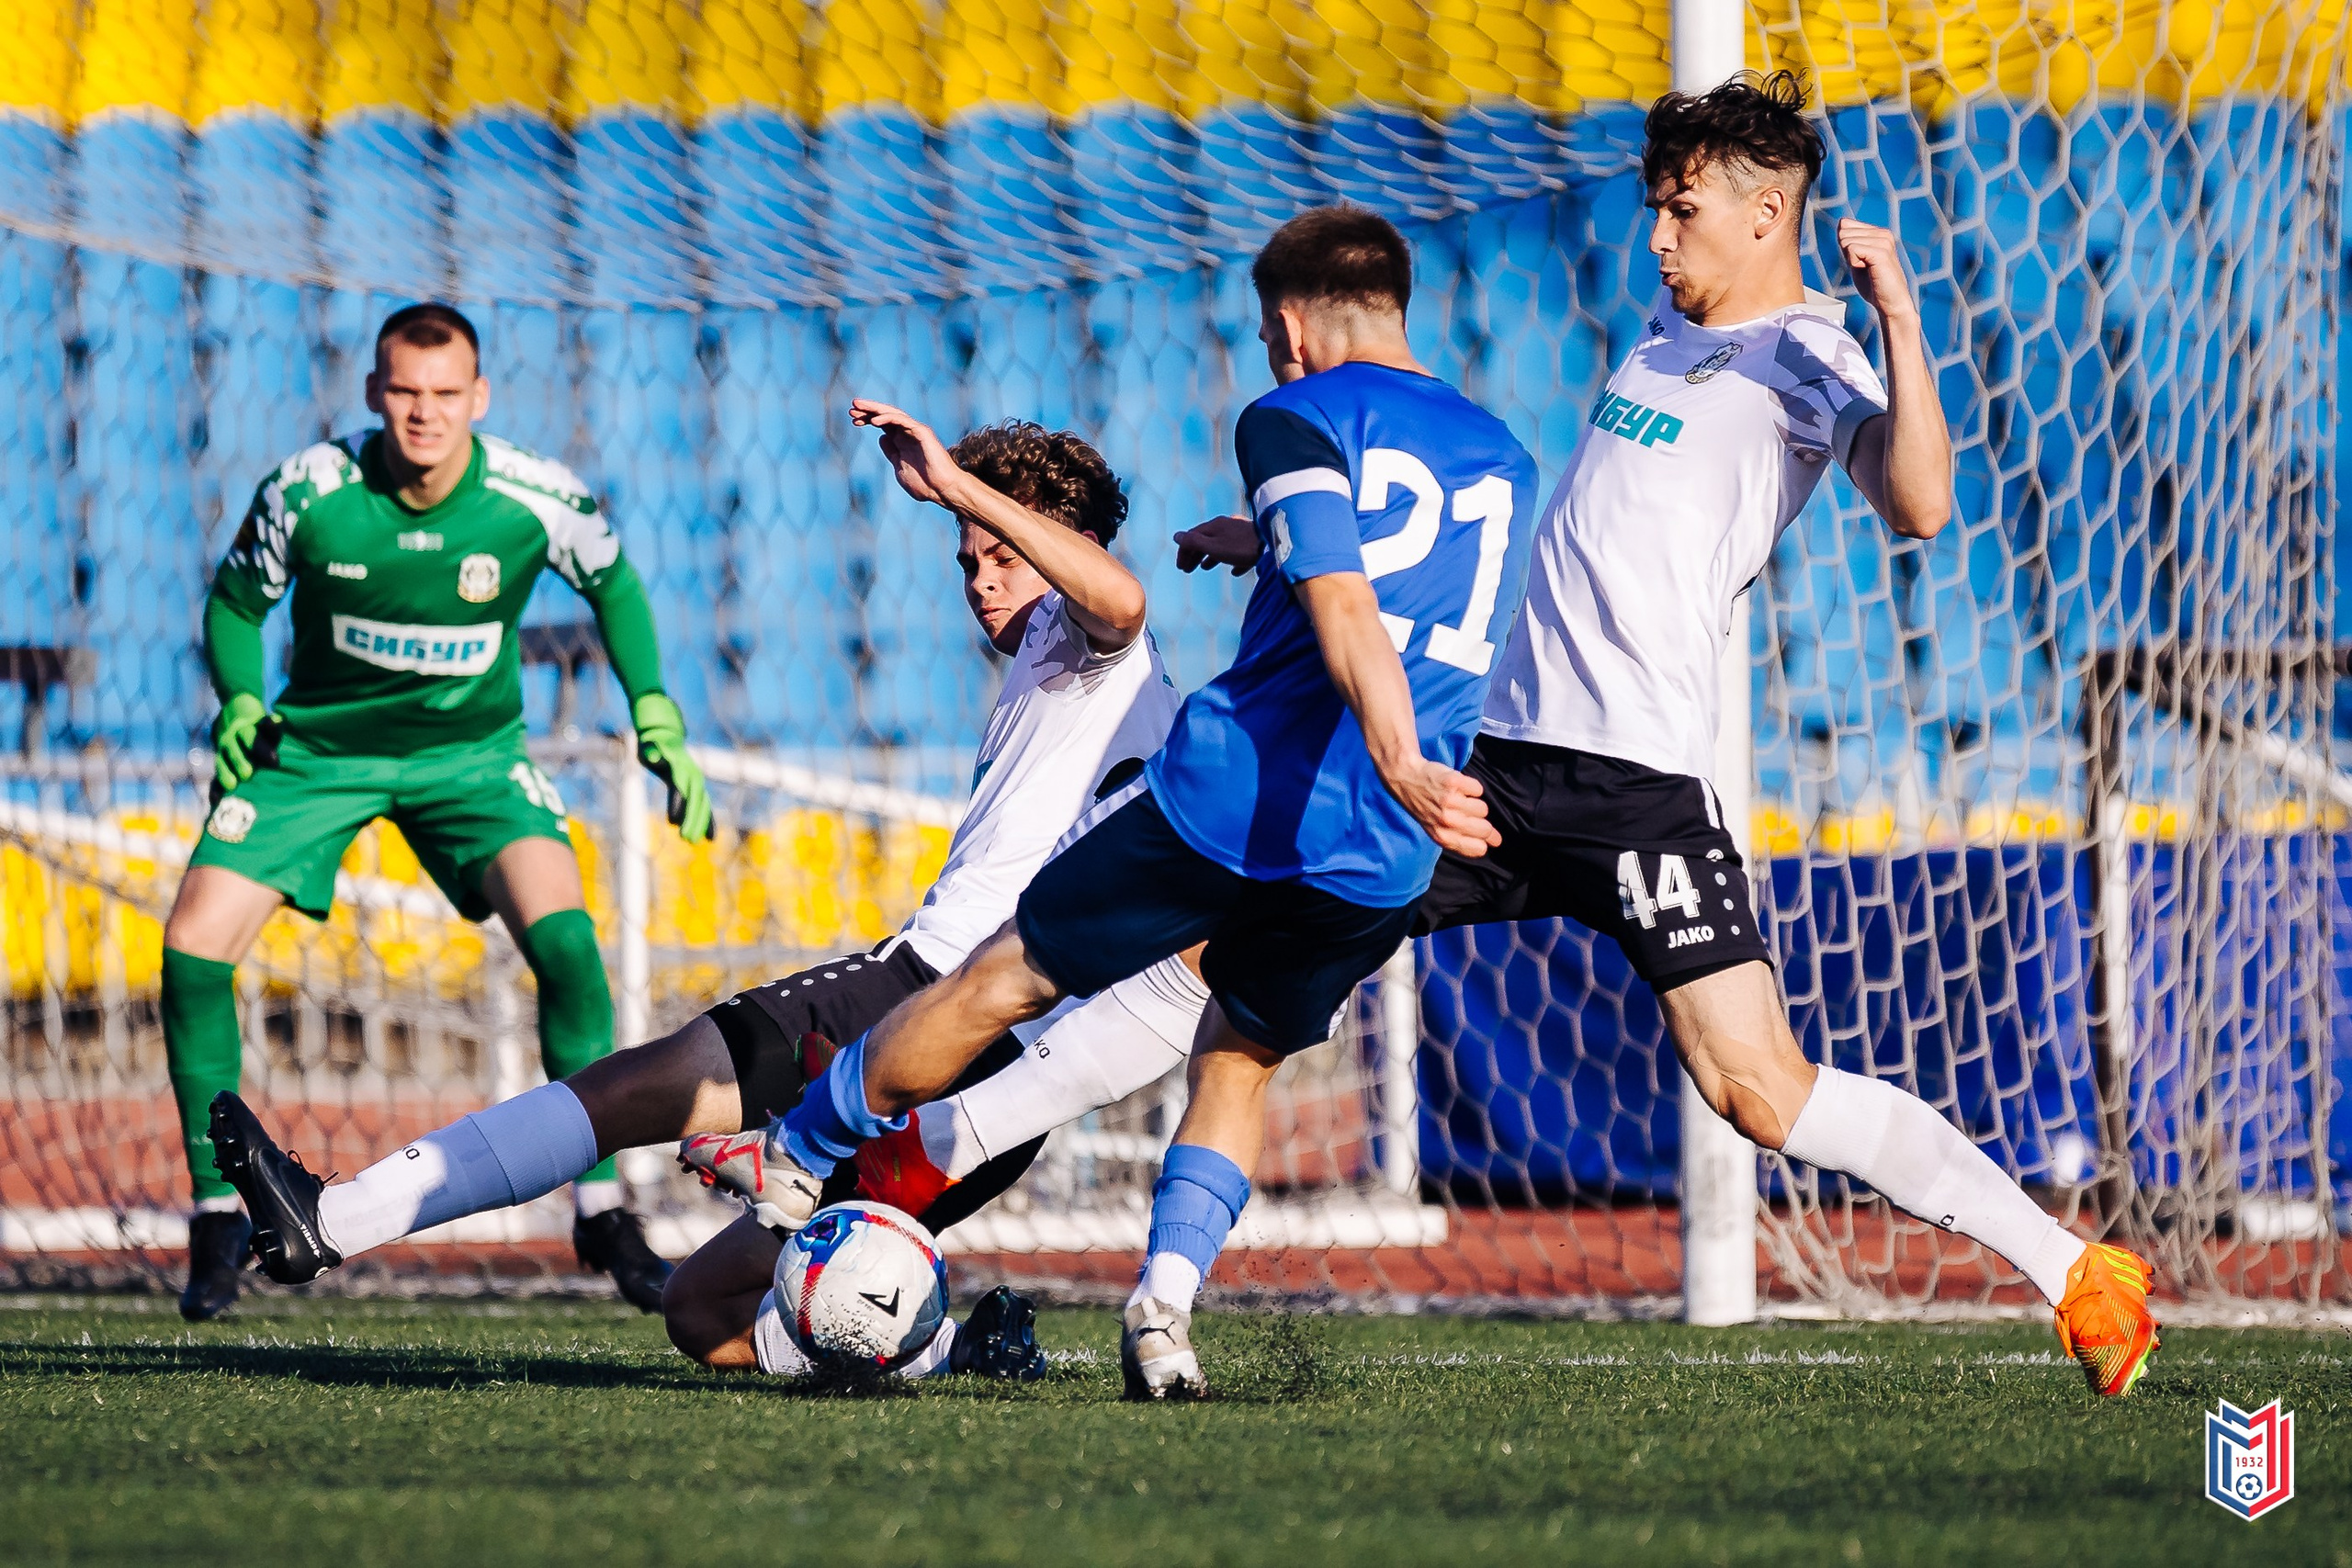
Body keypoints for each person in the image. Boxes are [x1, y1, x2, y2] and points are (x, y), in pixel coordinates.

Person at [692, 204, 1540, 1402]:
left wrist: (1394, 746)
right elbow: (1399, 564)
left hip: (1236, 796)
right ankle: (1161, 1314)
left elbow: (1350, 605)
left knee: (1005, 973)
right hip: (1380, 851)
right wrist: (1263, 542)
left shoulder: (1293, 412)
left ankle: (793, 1155)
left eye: (1263, 334)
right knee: (1239, 1059)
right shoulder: (1503, 452)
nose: (1266, 355)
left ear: (1291, 324)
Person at [1410, 73, 2152, 1396]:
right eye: (1655, 207)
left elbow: (1918, 503)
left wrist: (1903, 321)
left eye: (1679, 209)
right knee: (1283, 910)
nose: (1654, 235)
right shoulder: (1662, 321)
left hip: (1635, 782)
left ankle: (2075, 1269)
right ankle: (986, 1172)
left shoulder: (1816, 351)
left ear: (1764, 216)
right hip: (1502, 759)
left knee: (1760, 1091)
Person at [208, 415, 1204, 1379]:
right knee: (704, 1314)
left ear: (1062, 544)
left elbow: (1119, 598)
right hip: (996, 1097)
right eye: (966, 562)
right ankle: (958, 1352)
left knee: (620, 1092)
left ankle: (332, 1220)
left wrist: (953, 484)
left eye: (1002, 556)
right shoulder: (1084, 674)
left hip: (929, 999)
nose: (982, 584)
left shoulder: (1088, 645)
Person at [166, 303, 709, 1320]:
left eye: (444, 395)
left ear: (479, 398)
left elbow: (618, 585)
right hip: (319, 753)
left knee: (569, 946)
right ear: (376, 392)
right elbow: (237, 603)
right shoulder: (309, 492)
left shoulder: (534, 497)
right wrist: (240, 696)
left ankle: (602, 1209)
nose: (423, 414)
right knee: (194, 949)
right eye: (405, 393)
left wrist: (653, 709)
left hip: (472, 760)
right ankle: (214, 1216)